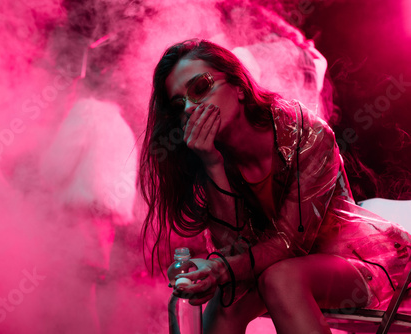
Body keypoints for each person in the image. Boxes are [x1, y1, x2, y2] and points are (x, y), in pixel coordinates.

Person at [139, 39, 411, 334]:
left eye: (200, 87)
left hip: (360, 263)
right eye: (180, 105)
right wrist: (212, 165)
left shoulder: (308, 133)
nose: (191, 108)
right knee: (226, 303)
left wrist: (220, 269)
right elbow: (234, 251)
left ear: (239, 86)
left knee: (280, 279)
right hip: (277, 267)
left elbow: (289, 243)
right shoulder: (210, 156)